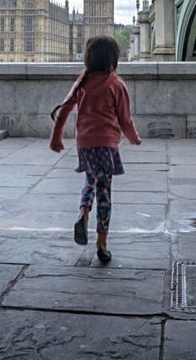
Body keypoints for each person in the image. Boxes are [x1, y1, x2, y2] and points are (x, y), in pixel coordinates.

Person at [49, 35, 141, 264]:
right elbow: (125, 120)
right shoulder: (116, 84)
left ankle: (83, 213)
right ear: (113, 59)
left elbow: (63, 110)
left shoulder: (83, 81)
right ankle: (102, 243)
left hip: (86, 144)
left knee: (90, 181)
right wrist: (134, 138)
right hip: (107, 145)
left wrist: (56, 137)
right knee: (105, 192)